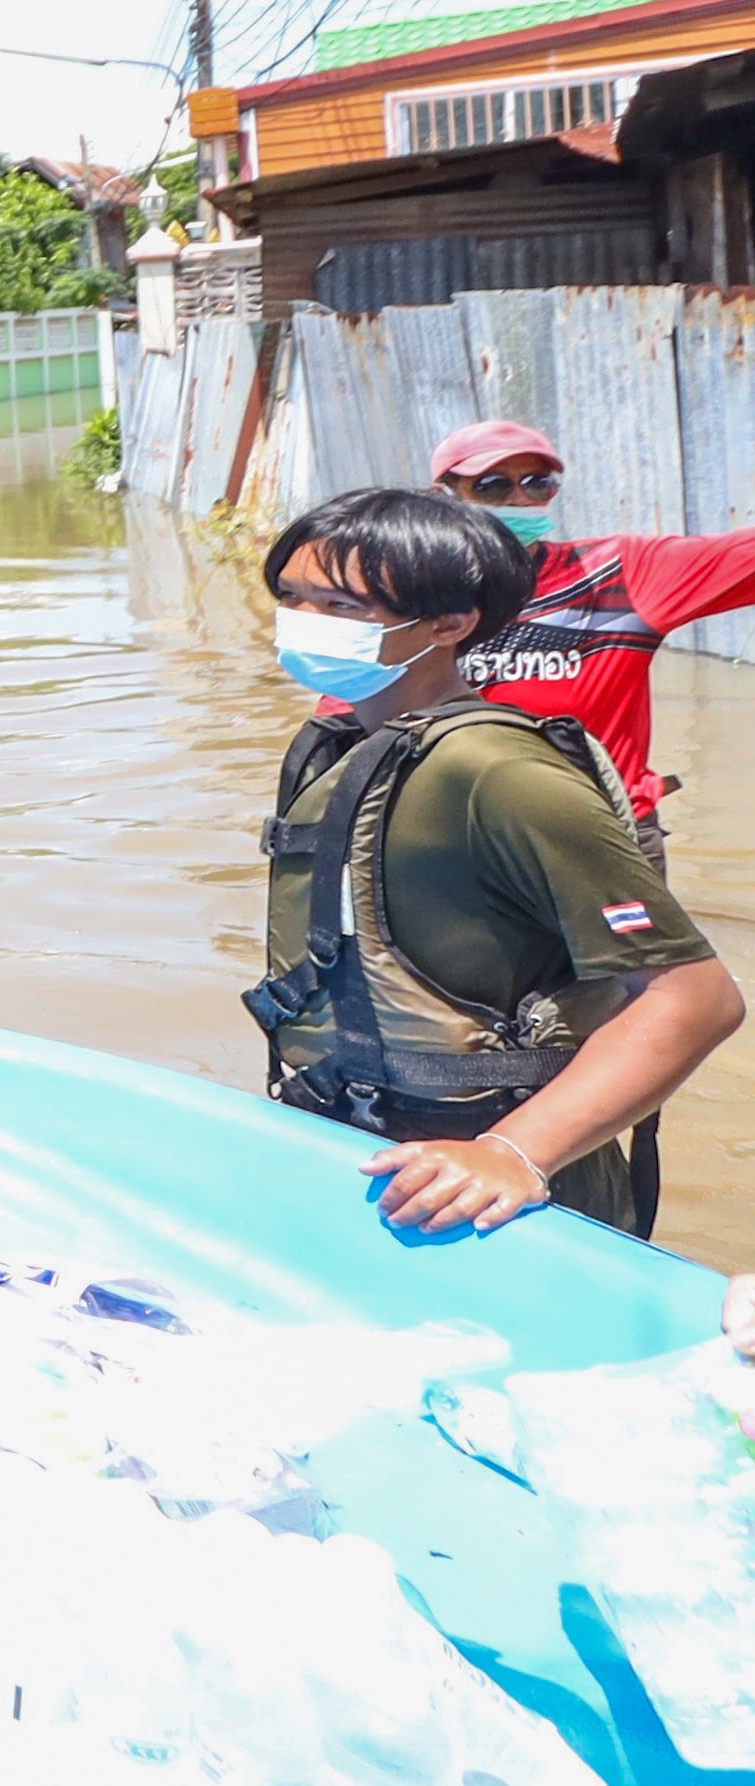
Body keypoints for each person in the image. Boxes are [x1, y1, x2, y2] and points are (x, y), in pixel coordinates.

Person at [252, 487, 743, 1239]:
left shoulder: (497, 772)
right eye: (292, 598)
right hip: (373, 1149)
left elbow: (696, 997)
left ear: (451, 623)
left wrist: (514, 1153)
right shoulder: (345, 741)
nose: (303, 624)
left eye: (341, 606)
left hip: (489, 1188)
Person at [432, 416, 755, 864]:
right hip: (467, 841)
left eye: (536, 483)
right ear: (443, 498)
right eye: (492, 486)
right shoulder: (412, 596)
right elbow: (348, 723)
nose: (520, 500)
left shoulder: (621, 572)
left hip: (608, 836)